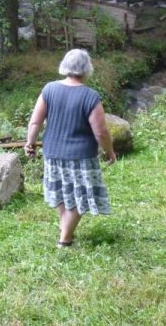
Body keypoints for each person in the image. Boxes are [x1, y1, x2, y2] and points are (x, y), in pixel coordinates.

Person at [23, 49, 116, 249]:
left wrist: (30, 143)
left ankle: (65, 228)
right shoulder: (90, 96)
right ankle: (65, 238)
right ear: (86, 69)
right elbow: (101, 132)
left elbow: (35, 122)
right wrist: (110, 152)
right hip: (81, 156)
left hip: (53, 153)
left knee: (62, 192)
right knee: (79, 195)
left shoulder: (49, 89)